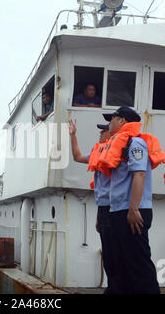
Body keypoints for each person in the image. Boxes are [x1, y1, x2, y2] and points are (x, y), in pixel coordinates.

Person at [100, 106, 160, 294]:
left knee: (138, 264)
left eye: (113, 118)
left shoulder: (135, 143)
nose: (110, 123)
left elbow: (139, 174)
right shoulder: (118, 144)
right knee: (121, 263)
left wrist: (134, 209)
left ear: (122, 121)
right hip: (118, 211)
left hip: (132, 211)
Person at [69, 120, 114, 294]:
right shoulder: (98, 152)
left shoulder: (115, 153)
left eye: (103, 131)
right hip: (103, 208)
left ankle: (116, 287)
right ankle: (113, 287)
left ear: (111, 134)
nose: (100, 133)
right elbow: (78, 157)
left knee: (114, 250)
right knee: (108, 251)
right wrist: (73, 135)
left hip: (114, 208)